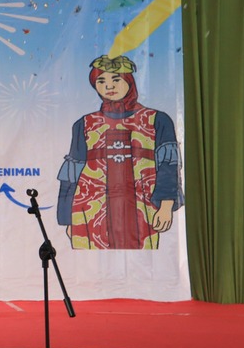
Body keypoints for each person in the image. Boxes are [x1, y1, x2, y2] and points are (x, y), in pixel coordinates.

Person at [56, 54, 183, 249]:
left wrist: (166, 206)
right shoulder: (83, 124)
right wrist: (68, 219)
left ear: (129, 81)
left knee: (143, 260)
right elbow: (72, 175)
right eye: (101, 81)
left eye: (116, 79)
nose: (109, 86)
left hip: (143, 209)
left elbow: (168, 167)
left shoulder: (157, 119)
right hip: (91, 211)